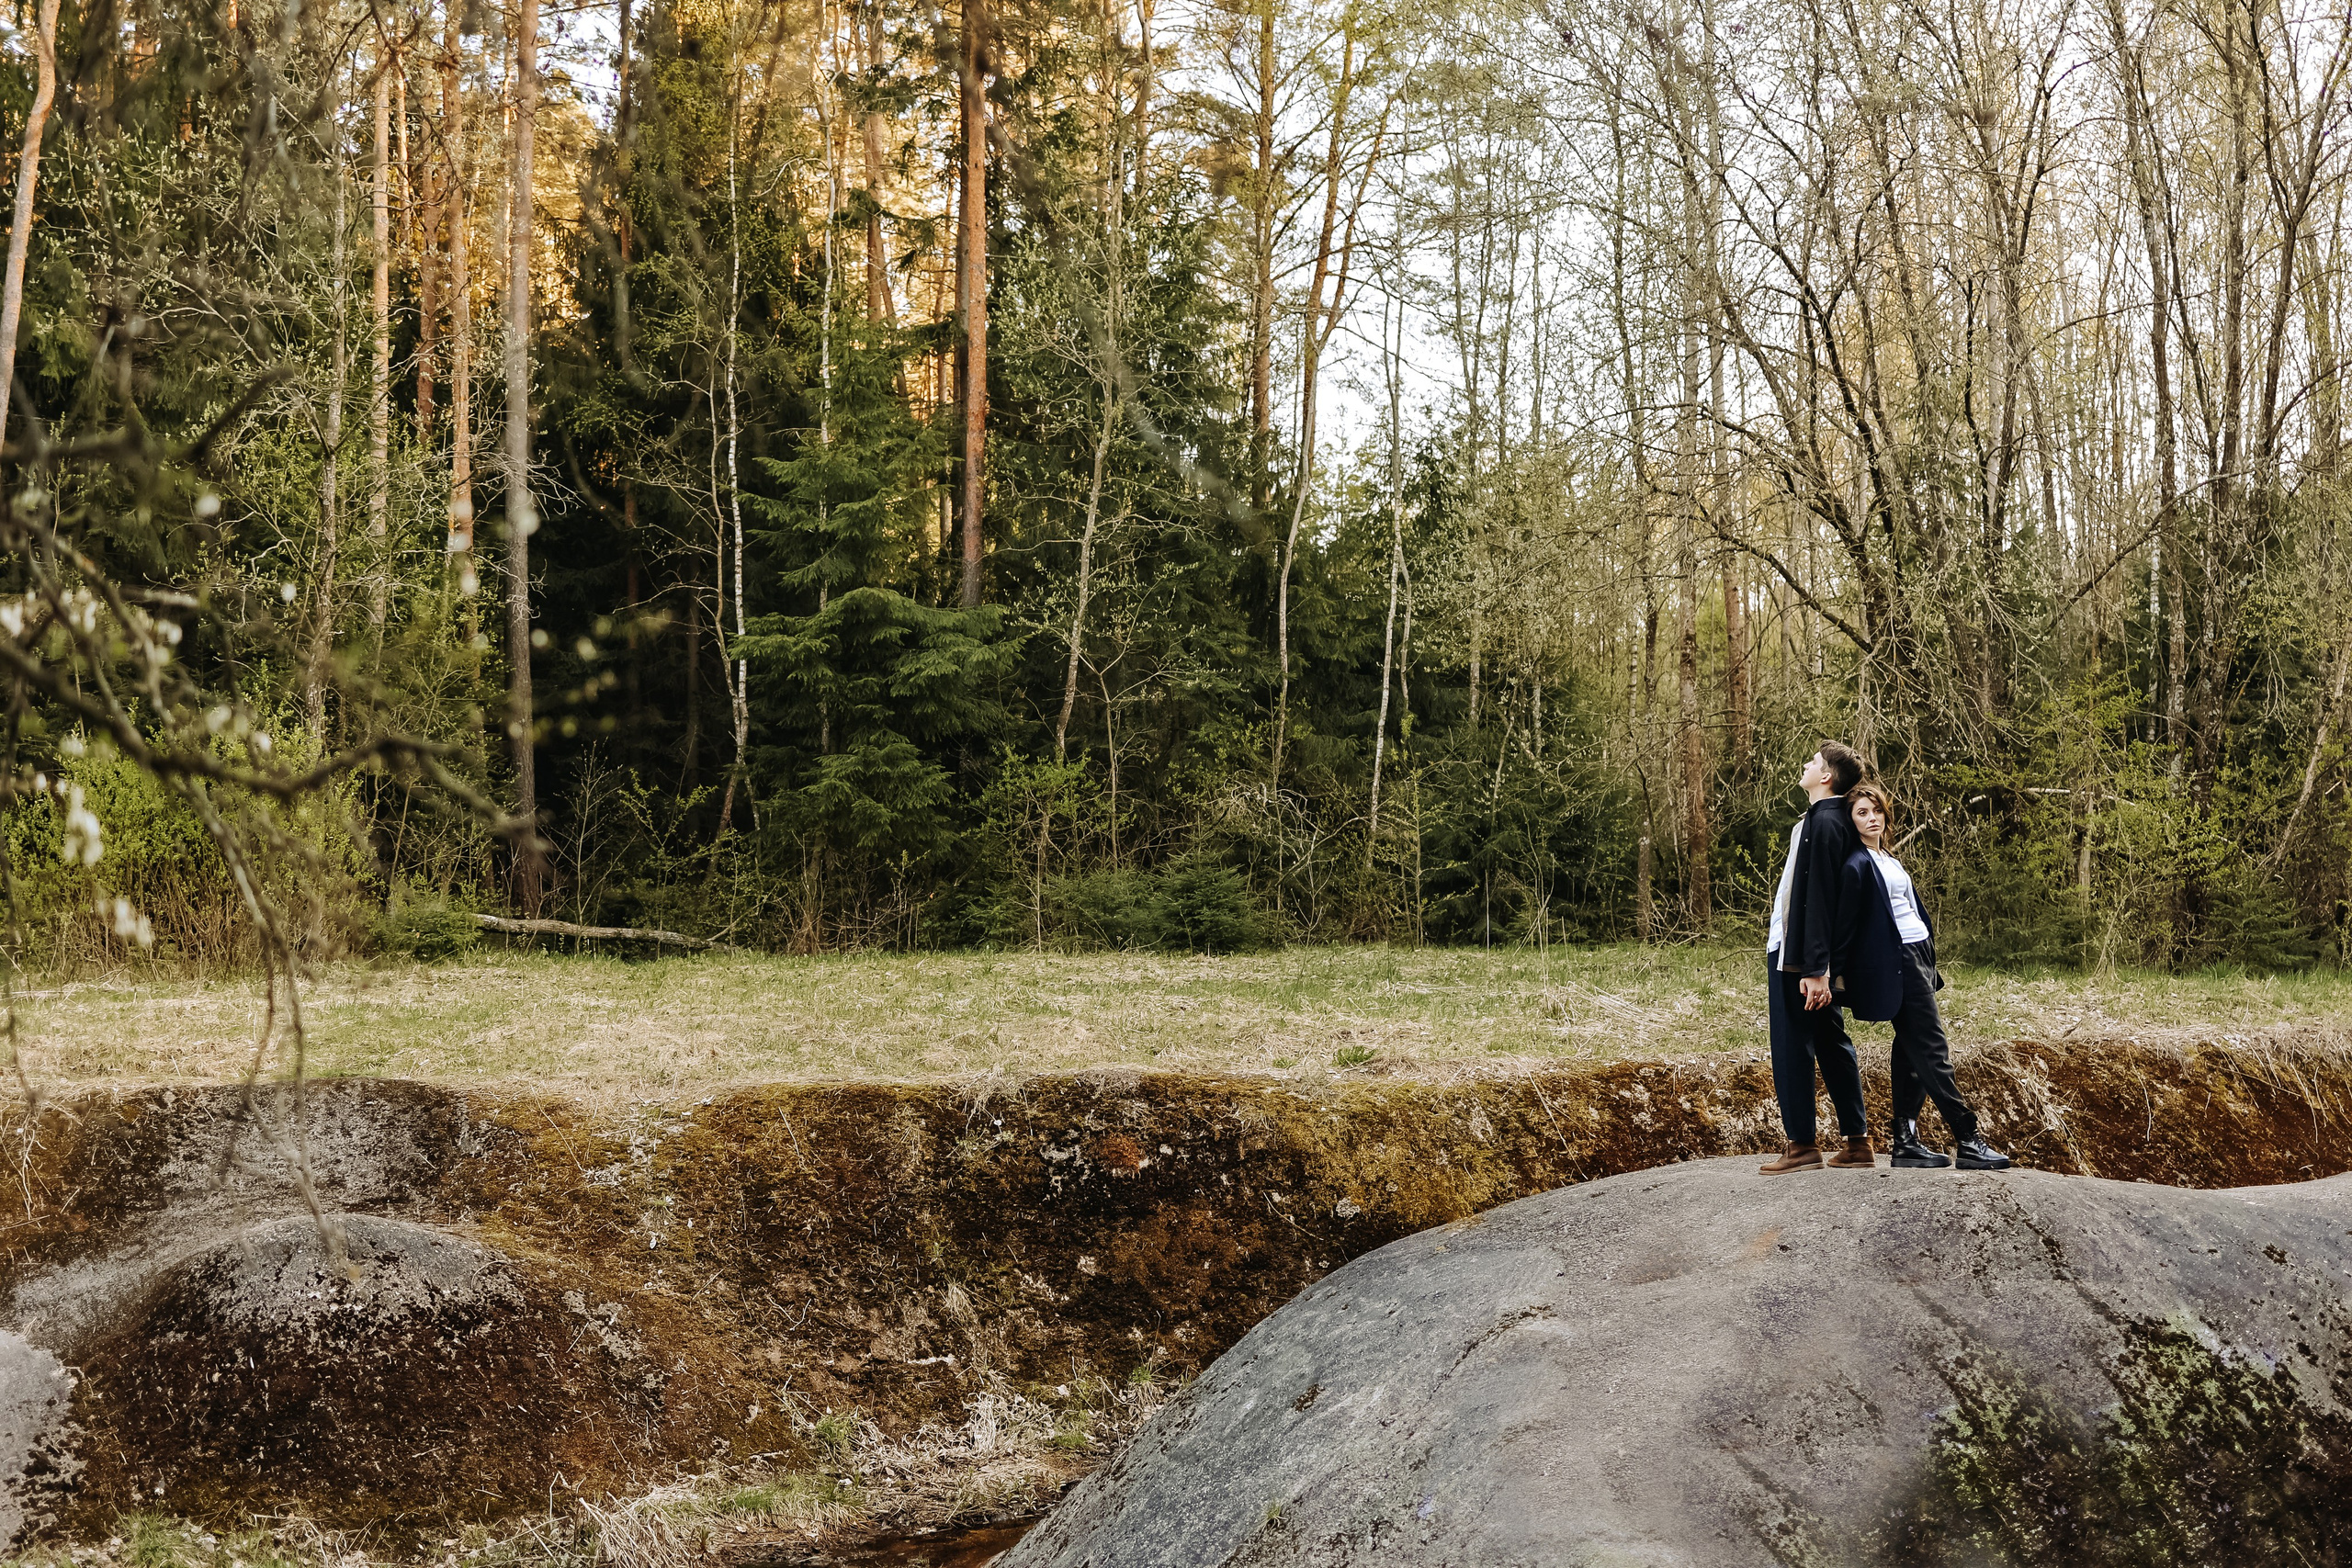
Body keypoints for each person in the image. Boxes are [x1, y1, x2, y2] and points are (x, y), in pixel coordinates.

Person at [1837, 783, 2011, 1171]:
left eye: (1876, 810)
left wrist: (1927, 952)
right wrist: (1833, 975)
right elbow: (1845, 927)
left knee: (1911, 1048)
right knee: (1933, 1049)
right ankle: (1968, 1138)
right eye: (1862, 813)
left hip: (1919, 956)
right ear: (1851, 821)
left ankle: (1906, 1142)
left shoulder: (1888, 858)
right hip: (1895, 963)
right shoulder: (1856, 864)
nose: (1872, 818)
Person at [1758, 742, 1873, 1174]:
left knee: (1791, 1042)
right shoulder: (1824, 820)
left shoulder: (1823, 823)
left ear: (1826, 777)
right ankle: (1857, 1141)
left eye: (1813, 762)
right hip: (1810, 956)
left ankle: (1801, 1144)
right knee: (1830, 1039)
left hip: (1798, 957)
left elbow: (1819, 900)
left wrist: (1815, 969)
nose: (1806, 765)